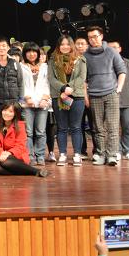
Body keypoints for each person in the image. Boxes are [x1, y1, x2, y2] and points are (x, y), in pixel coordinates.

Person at [85, 26, 127, 166]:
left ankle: (112, 155)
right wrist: (86, 96)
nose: (93, 40)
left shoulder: (111, 51)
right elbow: (84, 79)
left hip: (111, 93)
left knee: (113, 126)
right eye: (90, 37)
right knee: (98, 127)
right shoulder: (86, 55)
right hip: (94, 95)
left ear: (101, 36)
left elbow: (122, 71)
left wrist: (118, 89)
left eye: (95, 36)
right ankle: (101, 154)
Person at [48, 35, 87, 166]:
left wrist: (69, 88)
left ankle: (77, 154)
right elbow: (51, 78)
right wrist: (63, 88)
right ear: (58, 46)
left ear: (72, 45)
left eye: (67, 44)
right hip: (59, 96)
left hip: (76, 96)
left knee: (76, 127)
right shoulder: (53, 60)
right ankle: (62, 154)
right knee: (62, 127)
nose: (65, 46)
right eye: (62, 44)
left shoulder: (80, 59)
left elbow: (82, 77)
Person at [0, 103, 48, 177]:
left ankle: (36, 171)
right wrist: (1, 154)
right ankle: (29, 171)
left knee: (5, 162)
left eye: (10, 111)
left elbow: (20, 145)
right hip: (2, 155)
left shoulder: (20, 125)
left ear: (15, 114)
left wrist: (9, 153)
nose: (6, 113)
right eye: (5, 110)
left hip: (17, 156)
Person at [20, 42, 52, 165]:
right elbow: (20, 84)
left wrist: (45, 98)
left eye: (34, 51)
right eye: (29, 51)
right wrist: (27, 98)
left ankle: (40, 156)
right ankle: (30, 156)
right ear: (25, 53)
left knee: (41, 132)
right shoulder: (21, 66)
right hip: (27, 104)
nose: (32, 54)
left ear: (38, 53)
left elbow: (48, 84)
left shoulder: (45, 67)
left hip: (42, 103)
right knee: (28, 132)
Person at [108, 40, 129, 161]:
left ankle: (128, 150)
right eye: (110, 48)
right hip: (111, 101)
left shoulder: (127, 62)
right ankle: (117, 151)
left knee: (128, 127)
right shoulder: (105, 62)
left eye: (115, 47)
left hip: (126, 100)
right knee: (113, 128)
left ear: (120, 49)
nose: (113, 50)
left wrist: (124, 90)